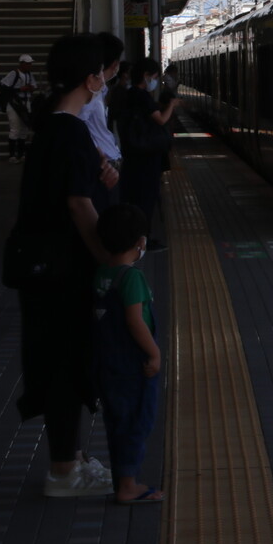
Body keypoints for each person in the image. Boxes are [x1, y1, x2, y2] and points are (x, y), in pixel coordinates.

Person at [15, 33, 116, 497]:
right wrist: (109, 261)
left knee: (60, 361)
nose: (105, 81)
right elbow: (78, 204)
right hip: (62, 271)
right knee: (65, 365)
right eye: (103, 74)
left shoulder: (53, 127)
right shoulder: (70, 131)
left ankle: (70, 460)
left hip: (43, 268)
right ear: (91, 79)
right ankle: (63, 472)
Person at [93, 202, 163, 504]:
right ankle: (128, 486)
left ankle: (122, 479)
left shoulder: (102, 273)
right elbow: (135, 321)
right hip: (133, 364)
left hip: (108, 362)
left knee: (117, 421)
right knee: (137, 421)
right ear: (140, 242)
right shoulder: (131, 278)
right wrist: (154, 353)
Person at [119, 59, 178, 253]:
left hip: (133, 154)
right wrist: (172, 105)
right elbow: (161, 120)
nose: (155, 81)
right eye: (154, 77)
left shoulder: (128, 94)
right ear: (145, 76)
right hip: (146, 156)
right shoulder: (142, 96)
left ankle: (134, 236)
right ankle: (143, 238)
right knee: (146, 198)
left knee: (134, 197)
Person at [78, 33, 124, 209]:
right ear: (114, 64)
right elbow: (79, 125)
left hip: (107, 163)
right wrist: (100, 156)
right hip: (104, 167)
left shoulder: (100, 90)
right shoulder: (91, 92)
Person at [0, 53, 38, 163]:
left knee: (24, 128)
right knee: (15, 128)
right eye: (27, 64)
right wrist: (20, 89)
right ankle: (12, 155)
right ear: (21, 64)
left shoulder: (29, 74)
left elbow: (34, 86)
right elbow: (4, 87)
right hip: (14, 103)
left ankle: (21, 154)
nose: (29, 66)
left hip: (25, 102)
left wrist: (30, 88)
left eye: (30, 64)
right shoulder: (14, 73)